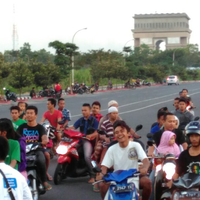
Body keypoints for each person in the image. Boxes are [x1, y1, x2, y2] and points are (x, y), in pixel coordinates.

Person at [98, 120, 151, 200]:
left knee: (148, 182)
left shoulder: (136, 145)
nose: (119, 134)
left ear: (128, 133)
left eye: (122, 131)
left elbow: (145, 161)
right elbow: (104, 166)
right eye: (116, 132)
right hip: (116, 179)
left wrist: (144, 168)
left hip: (133, 177)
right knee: (102, 185)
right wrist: (102, 175)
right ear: (114, 135)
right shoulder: (112, 149)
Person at [17, 105, 52, 190]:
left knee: (41, 159)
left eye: (31, 113)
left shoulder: (40, 127)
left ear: (36, 115)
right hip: (24, 150)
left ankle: (44, 180)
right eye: (27, 113)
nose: (29, 115)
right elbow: (16, 136)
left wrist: (44, 140)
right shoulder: (22, 127)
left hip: (37, 149)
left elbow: (44, 136)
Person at [70, 103, 99, 183]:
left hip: (88, 141)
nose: (83, 112)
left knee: (87, 157)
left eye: (85, 110)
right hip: (80, 140)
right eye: (82, 110)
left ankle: (92, 175)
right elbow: (73, 127)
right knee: (70, 151)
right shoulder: (81, 120)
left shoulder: (94, 120)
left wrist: (91, 135)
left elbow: (97, 132)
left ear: (90, 111)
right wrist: (64, 129)